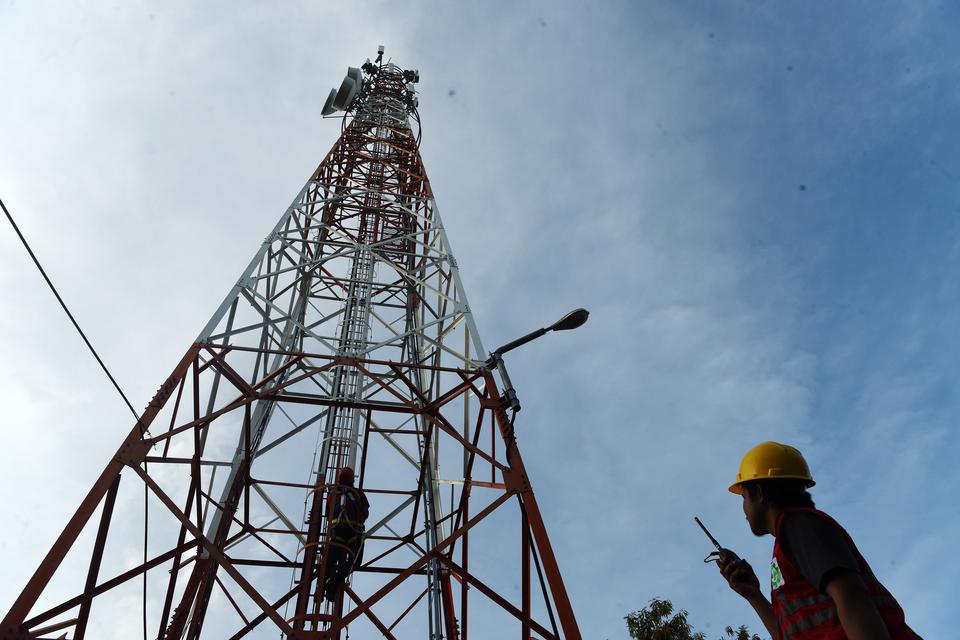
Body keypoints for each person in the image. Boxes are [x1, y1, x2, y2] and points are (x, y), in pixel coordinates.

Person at [717, 441, 921, 640]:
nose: (743, 507)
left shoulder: (797, 524)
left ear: (759, 494)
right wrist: (753, 594)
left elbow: (852, 596)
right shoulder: (789, 543)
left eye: (743, 496)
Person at [323, 466, 369, 601]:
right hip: (354, 532)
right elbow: (365, 512)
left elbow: (327, 514)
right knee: (355, 562)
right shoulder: (358, 493)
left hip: (337, 531)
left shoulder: (333, 493)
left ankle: (324, 581)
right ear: (352, 479)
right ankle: (334, 583)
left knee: (329, 560)